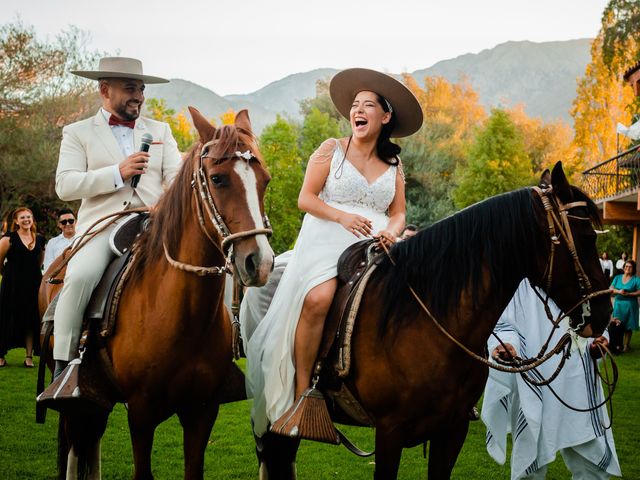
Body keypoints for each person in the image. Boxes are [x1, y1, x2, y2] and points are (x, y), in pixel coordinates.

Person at [243, 68, 423, 438]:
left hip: (377, 241)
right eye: (355, 105)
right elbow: (305, 198)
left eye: (368, 105)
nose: (358, 111)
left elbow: (399, 212)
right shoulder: (331, 149)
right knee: (319, 299)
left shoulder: (394, 164)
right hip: (328, 234)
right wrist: (342, 216)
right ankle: (303, 393)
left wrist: (391, 232)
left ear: (385, 116)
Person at [49, 57, 181, 377]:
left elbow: (176, 177)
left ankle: (223, 352)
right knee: (80, 276)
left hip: (155, 224)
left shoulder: (160, 130)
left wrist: (166, 203)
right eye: (130, 88)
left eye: (141, 89)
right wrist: (117, 173)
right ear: (105, 90)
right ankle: (64, 368)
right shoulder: (77, 132)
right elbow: (65, 186)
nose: (139, 96)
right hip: (102, 226)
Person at [482, 280, 621, 480]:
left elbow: (596, 310)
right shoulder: (520, 280)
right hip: (535, 375)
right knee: (532, 462)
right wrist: (508, 345)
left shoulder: (576, 270)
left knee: (592, 462)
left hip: (577, 374)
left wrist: (599, 337)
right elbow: (503, 321)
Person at [0, 207, 46, 367]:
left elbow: (40, 261)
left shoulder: (39, 238)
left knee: (30, 320)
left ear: (32, 219)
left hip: (33, 284)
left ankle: (28, 357)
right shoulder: (8, 239)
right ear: (16, 221)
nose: (26, 220)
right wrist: (8, 275)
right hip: (12, 285)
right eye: (22, 218)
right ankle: (1, 355)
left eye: (29, 216)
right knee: (6, 318)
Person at [610, 259, 640, 353]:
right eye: (626, 266)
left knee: (628, 326)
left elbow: (639, 291)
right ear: (623, 268)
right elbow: (611, 289)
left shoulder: (636, 279)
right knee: (617, 324)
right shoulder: (617, 277)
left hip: (630, 304)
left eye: (630, 267)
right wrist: (619, 291)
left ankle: (626, 345)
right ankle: (616, 344)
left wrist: (630, 294)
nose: (628, 268)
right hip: (618, 304)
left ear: (633, 269)